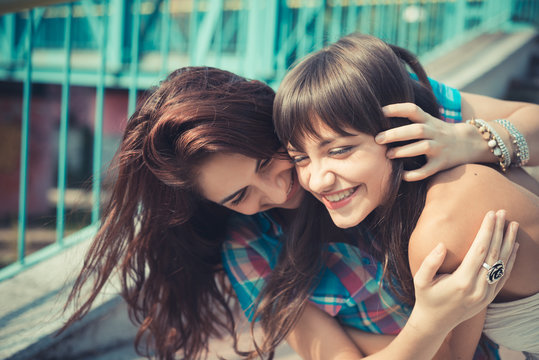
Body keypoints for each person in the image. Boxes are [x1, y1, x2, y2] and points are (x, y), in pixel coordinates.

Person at [59, 65, 531, 360]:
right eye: (238, 196)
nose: (280, 190)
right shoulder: (254, 252)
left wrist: (472, 139)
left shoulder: (341, 102)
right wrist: (431, 320)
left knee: (465, 190)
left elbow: (530, 118)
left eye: (268, 162)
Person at [269, 33, 539, 359]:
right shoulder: (432, 199)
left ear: (402, 129)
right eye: (300, 158)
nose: (317, 180)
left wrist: (472, 139)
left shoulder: (445, 220)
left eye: (339, 150)